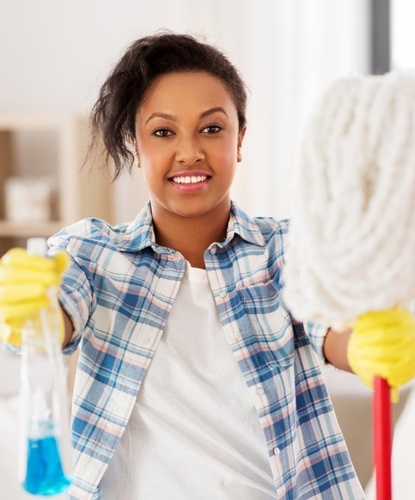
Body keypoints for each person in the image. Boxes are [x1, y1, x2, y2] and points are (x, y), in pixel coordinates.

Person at [0, 32, 414, 500]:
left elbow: (332, 326)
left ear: (240, 139)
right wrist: (28, 312)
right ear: (135, 146)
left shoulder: (284, 249)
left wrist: (367, 345)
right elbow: (51, 319)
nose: (190, 151)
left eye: (212, 128)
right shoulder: (92, 253)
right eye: (162, 132)